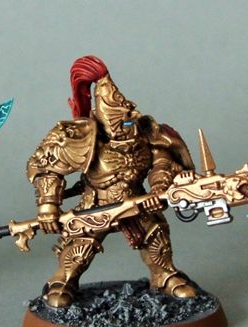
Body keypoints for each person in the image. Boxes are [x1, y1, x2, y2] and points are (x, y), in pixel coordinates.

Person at [26, 55, 197, 308]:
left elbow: (162, 161)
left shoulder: (146, 133)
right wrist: (48, 207)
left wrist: (159, 188)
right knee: (80, 247)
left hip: (138, 200)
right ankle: (63, 281)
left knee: (156, 236)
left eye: (130, 112)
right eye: (122, 115)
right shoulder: (82, 136)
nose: (131, 114)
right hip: (96, 203)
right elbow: (47, 165)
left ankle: (164, 276)